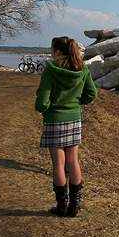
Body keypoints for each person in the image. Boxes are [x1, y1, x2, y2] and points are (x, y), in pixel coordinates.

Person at [35, 37, 97, 217]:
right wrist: (76, 103)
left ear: (58, 52)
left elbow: (42, 101)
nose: (51, 53)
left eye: (52, 49)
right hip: (74, 119)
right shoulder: (82, 69)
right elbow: (92, 94)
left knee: (58, 164)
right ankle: (74, 207)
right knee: (73, 161)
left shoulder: (51, 71)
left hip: (54, 119)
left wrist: (44, 109)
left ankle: (61, 206)